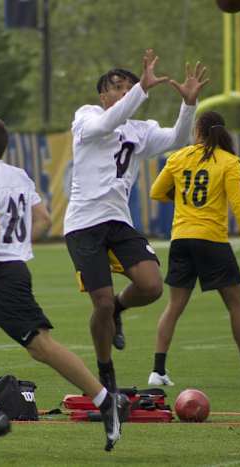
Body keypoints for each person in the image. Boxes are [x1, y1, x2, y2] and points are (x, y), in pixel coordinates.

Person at [0, 113, 130, 453]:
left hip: (0, 276)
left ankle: (106, 401)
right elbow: (42, 219)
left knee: (41, 347)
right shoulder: (16, 175)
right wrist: (16, 248)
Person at [64, 49, 209, 391]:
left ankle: (118, 307)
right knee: (98, 302)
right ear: (104, 95)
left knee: (152, 285)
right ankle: (105, 373)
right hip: (84, 223)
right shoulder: (87, 116)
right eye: (119, 86)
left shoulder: (139, 130)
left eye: (130, 85)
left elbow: (177, 139)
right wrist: (142, 89)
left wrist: (188, 105)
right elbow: (106, 123)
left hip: (117, 221)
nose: (126, 90)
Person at [147, 110, 240, 388]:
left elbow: (156, 193)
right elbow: (239, 205)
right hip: (212, 240)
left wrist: (182, 199)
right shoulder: (230, 162)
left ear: (197, 130)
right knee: (236, 304)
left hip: (181, 239)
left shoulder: (178, 157)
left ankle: (157, 371)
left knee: (174, 306)